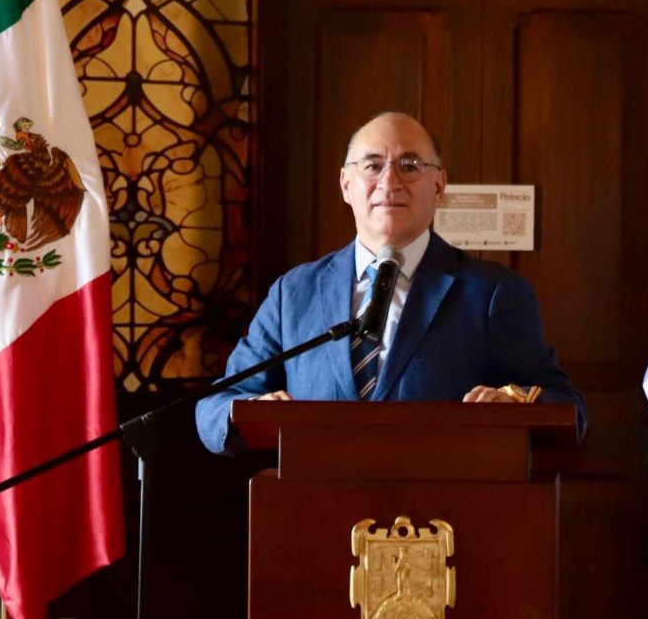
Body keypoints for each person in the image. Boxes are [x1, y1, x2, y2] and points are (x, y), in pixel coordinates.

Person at [195, 112, 587, 455]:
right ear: (346, 184)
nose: (390, 181)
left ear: (439, 186)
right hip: (315, 502)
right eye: (372, 165)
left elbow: (568, 408)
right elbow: (216, 405)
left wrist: (513, 403)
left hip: (444, 509)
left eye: (410, 165)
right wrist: (252, 411)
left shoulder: (492, 293)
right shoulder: (293, 294)